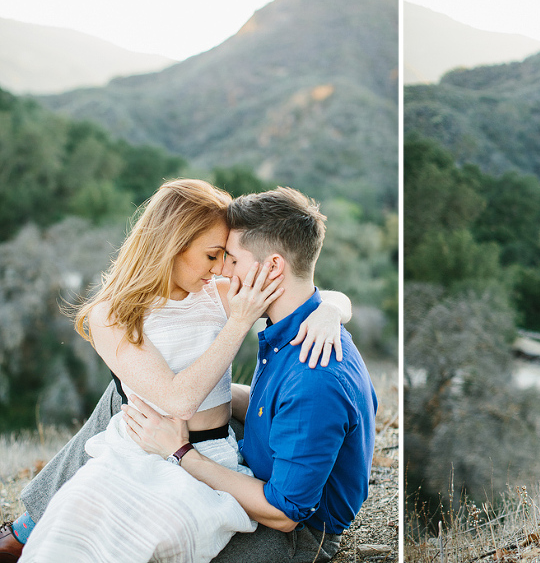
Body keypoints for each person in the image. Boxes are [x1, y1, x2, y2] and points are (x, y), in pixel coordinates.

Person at [0, 181, 356, 563]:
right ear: (174, 245)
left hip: (205, 452)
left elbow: (302, 289)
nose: (222, 268)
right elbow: (178, 399)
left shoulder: (216, 294)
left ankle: (28, 528)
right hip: (135, 449)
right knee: (71, 523)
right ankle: (29, 529)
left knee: (154, 537)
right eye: (212, 255)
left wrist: (329, 311)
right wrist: (240, 321)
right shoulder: (112, 313)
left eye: (226, 256)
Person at [125, 186, 377, 563]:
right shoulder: (293, 328)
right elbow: (270, 405)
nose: (221, 271)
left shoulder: (314, 375)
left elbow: (285, 512)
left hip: (296, 536)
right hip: (259, 466)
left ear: (273, 267)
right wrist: (332, 307)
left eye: (232, 259)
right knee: (131, 396)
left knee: (138, 541)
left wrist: (180, 453)